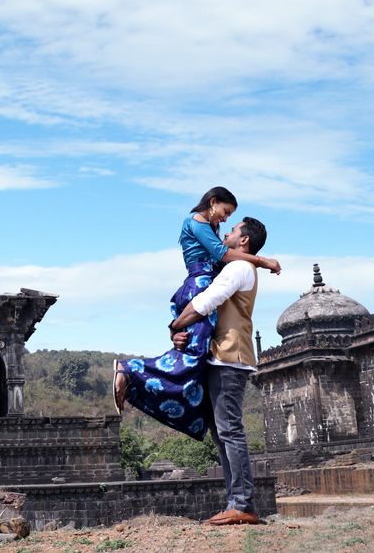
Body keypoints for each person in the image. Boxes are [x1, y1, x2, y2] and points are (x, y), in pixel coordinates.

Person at [112, 188, 279, 441]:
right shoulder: (197, 222)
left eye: (231, 220)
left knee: (193, 355)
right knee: (192, 356)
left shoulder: (210, 229)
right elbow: (222, 255)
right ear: (212, 203)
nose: (225, 221)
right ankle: (131, 370)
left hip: (203, 284)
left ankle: (139, 380)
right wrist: (263, 261)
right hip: (200, 285)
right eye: (225, 212)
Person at [169, 216, 268, 526]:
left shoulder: (239, 268)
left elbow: (206, 301)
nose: (226, 231)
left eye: (233, 229)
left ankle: (242, 503)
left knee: (229, 431)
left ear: (244, 241)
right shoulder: (235, 266)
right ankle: (235, 501)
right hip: (220, 357)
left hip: (230, 358)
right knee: (221, 433)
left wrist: (175, 324)